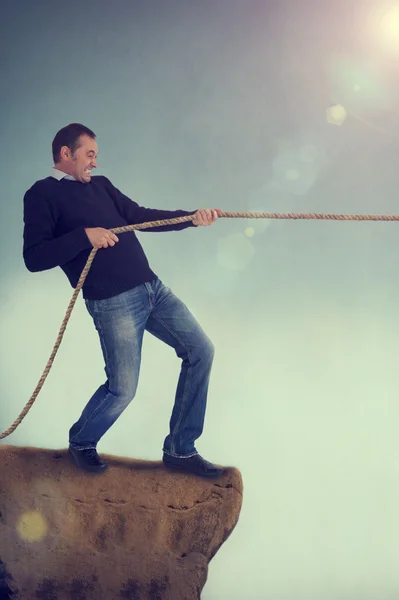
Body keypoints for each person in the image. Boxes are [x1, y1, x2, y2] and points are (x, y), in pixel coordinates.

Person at [23, 123, 223, 478]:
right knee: (123, 390)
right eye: (89, 155)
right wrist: (84, 236)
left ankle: (180, 450)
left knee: (201, 350)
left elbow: (140, 217)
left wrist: (190, 219)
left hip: (152, 289)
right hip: (112, 302)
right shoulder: (41, 195)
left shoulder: (101, 186)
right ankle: (82, 442)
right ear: (66, 154)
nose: (94, 163)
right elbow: (34, 257)